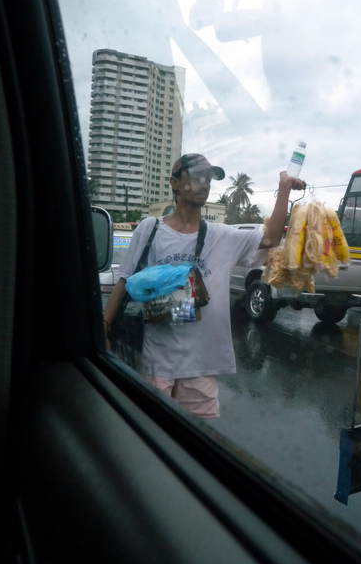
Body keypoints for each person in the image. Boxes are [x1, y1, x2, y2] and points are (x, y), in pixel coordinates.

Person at [103, 153, 305, 419]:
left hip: (200, 369)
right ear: (174, 183)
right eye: (197, 176)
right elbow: (124, 281)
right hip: (156, 364)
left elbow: (270, 237)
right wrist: (103, 329)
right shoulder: (149, 229)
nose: (204, 184)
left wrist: (284, 188)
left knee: (196, 446)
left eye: (208, 179)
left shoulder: (222, 236)